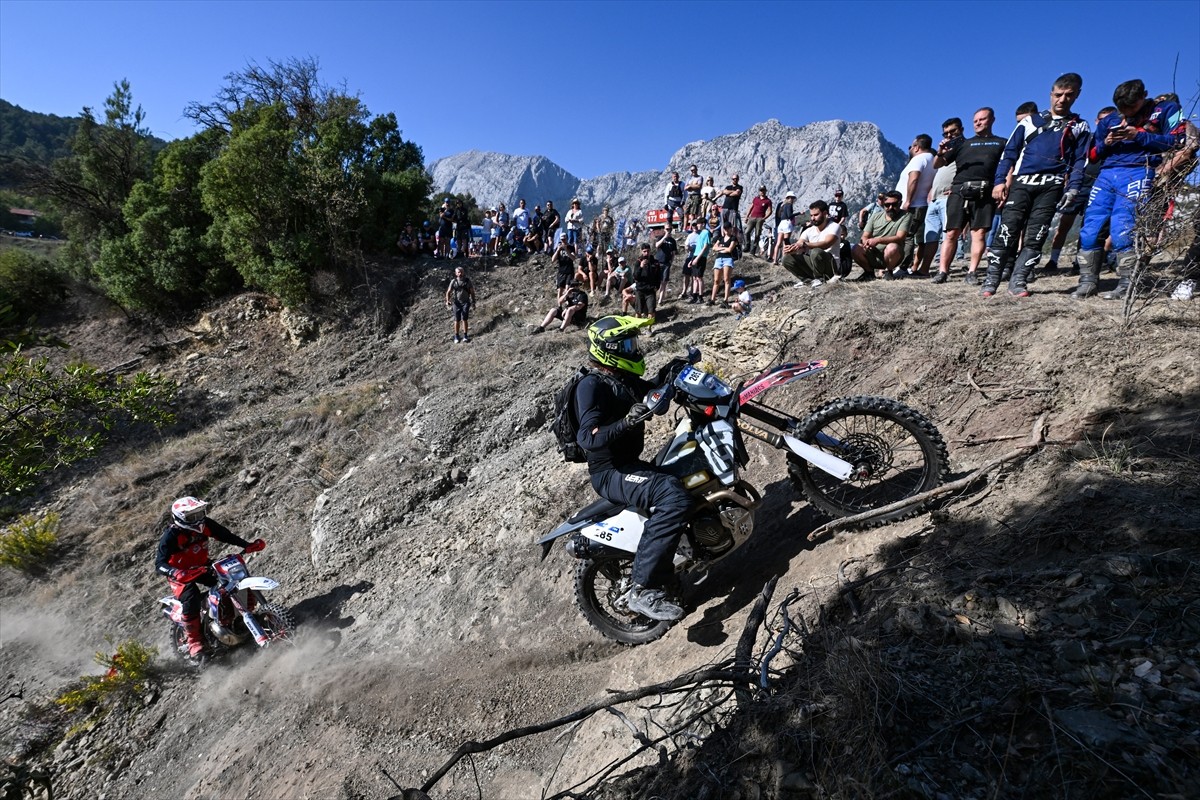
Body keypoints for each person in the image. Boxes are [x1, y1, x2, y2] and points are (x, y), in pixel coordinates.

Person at [575, 316, 691, 621]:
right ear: (607, 349)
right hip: (609, 472)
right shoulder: (591, 385)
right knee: (672, 496)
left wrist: (675, 369)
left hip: (629, 464)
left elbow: (652, 393)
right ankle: (643, 590)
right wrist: (626, 422)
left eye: (633, 343)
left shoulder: (622, 379)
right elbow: (588, 437)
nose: (633, 349)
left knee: (687, 473)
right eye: (627, 344)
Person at [1072, 79, 1183, 300]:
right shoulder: (1110, 120)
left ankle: (1126, 284)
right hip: (1107, 173)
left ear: (1144, 96)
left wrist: (1139, 135)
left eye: (1130, 108)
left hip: (1139, 171)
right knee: (1090, 229)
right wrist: (1108, 142)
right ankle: (1087, 282)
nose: (1126, 114)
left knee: (1123, 229)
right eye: (1122, 109)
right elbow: (1092, 155)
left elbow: (1178, 141)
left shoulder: (1165, 109)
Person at [984, 73, 1091, 298]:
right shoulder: (1030, 121)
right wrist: (1000, 181)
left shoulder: (1080, 126)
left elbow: (1080, 161)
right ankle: (991, 281)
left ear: (1077, 96)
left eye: (1069, 95)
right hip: (1022, 183)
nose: (1062, 100)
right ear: (1051, 94)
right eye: (1058, 95)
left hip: (1051, 187)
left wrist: (1073, 188)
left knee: (1036, 235)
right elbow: (1009, 152)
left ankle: (1019, 282)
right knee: (1007, 230)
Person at [155, 497, 264, 666]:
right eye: (192, 516)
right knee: (190, 597)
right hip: (181, 574)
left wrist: (247, 545)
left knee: (231, 580)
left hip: (202, 566)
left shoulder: (205, 524)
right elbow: (159, 564)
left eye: (200, 513)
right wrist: (174, 572)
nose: (198, 518)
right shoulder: (171, 535)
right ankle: (194, 642)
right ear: (180, 518)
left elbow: (225, 535)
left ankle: (238, 616)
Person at [932, 108, 1005, 285]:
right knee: (951, 233)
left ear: (992, 120)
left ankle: (972, 272)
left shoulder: (1001, 142)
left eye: (982, 119)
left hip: (985, 191)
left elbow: (1008, 167)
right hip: (959, 190)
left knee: (978, 233)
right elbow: (937, 164)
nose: (978, 123)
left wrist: (1003, 187)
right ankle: (942, 272)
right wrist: (940, 152)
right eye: (975, 121)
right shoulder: (961, 145)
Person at [896, 134, 937, 276]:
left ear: (917, 147)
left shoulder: (918, 159)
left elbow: (913, 179)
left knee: (906, 236)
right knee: (920, 240)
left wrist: (908, 200)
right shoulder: (933, 160)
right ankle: (914, 267)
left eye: (911, 146)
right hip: (923, 204)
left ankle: (902, 268)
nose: (910, 149)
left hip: (912, 205)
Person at [851, 191, 911, 280]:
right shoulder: (875, 216)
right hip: (873, 253)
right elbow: (865, 236)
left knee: (892, 247)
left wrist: (878, 240)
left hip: (893, 255)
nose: (890, 207)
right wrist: (866, 243)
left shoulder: (906, 216)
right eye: (887, 205)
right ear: (883, 204)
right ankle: (869, 273)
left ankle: (889, 271)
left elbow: (900, 237)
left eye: (894, 204)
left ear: (900, 203)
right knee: (856, 248)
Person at [782, 201, 841, 286]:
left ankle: (820, 279)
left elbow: (826, 244)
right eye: (811, 215)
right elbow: (800, 243)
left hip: (831, 266)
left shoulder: (834, 226)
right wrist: (792, 249)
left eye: (816, 215)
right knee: (786, 259)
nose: (813, 218)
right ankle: (807, 280)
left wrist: (806, 245)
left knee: (816, 252)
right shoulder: (809, 231)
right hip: (815, 263)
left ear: (825, 213)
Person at [445, 265, 476, 343]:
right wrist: (448, 300)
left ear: (463, 272)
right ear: (456, 273)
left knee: (464, 319)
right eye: (458, 272)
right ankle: (456, 336)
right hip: (456, 303)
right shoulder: (453, 281)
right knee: (457, 320)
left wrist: (473, 301)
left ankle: (465, 335)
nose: (460, 273)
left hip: (466, 302)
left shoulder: (467, 281)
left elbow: (472, 292)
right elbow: (448, 292)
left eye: (461, 272)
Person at [710, 222, 738, 304]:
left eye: (727, 228)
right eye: (724, 228)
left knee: (726, 279)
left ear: (730, 228)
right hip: (719, 259)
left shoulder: (733, 238)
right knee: (716, 280)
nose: (726, 230)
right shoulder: (720, 238)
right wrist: (722, 248)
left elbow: (730, 250)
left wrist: (721, 248)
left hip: (728, 259)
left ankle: (725, 300)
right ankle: (712, 299)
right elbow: (714, 248)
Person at [745, 186, 773, 256]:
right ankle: (747, 245)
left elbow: (770, 211)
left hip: (760, 219)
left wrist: (764, 218)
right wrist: (747, 216)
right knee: (747, 232)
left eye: (763, 190)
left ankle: (753, 249)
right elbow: (751, 207)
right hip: (752, 217)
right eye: (761, 190)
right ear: (759, 191)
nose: (762, 192)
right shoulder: (755, 199)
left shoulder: (768, 201)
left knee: (757, 234)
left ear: (765, 191)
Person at [773, 191, 797, 264]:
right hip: (787, 223)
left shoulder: (783, 205)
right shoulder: (789, 205)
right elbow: (790, 215)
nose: (792, 199)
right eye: (792, 198)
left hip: (781, 223)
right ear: (789, 198)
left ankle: (775, 260)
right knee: (785, 242)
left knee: (778, 243)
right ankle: (783, 260)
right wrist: (799, 213)